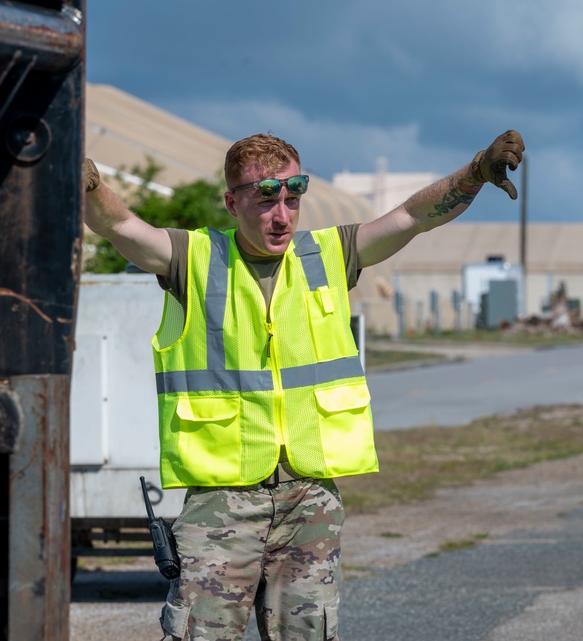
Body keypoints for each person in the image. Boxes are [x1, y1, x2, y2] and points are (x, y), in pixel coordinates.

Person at [82, 129, 525, 641]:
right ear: (232, 202)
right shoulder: (193, 258)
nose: (283, 212)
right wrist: (90, 185)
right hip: (224, 500)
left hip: (308, 499)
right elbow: (119, 224)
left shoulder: (328, 255)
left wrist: (473, 175)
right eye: (266, 195)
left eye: (294, 194)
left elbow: (411, 217)